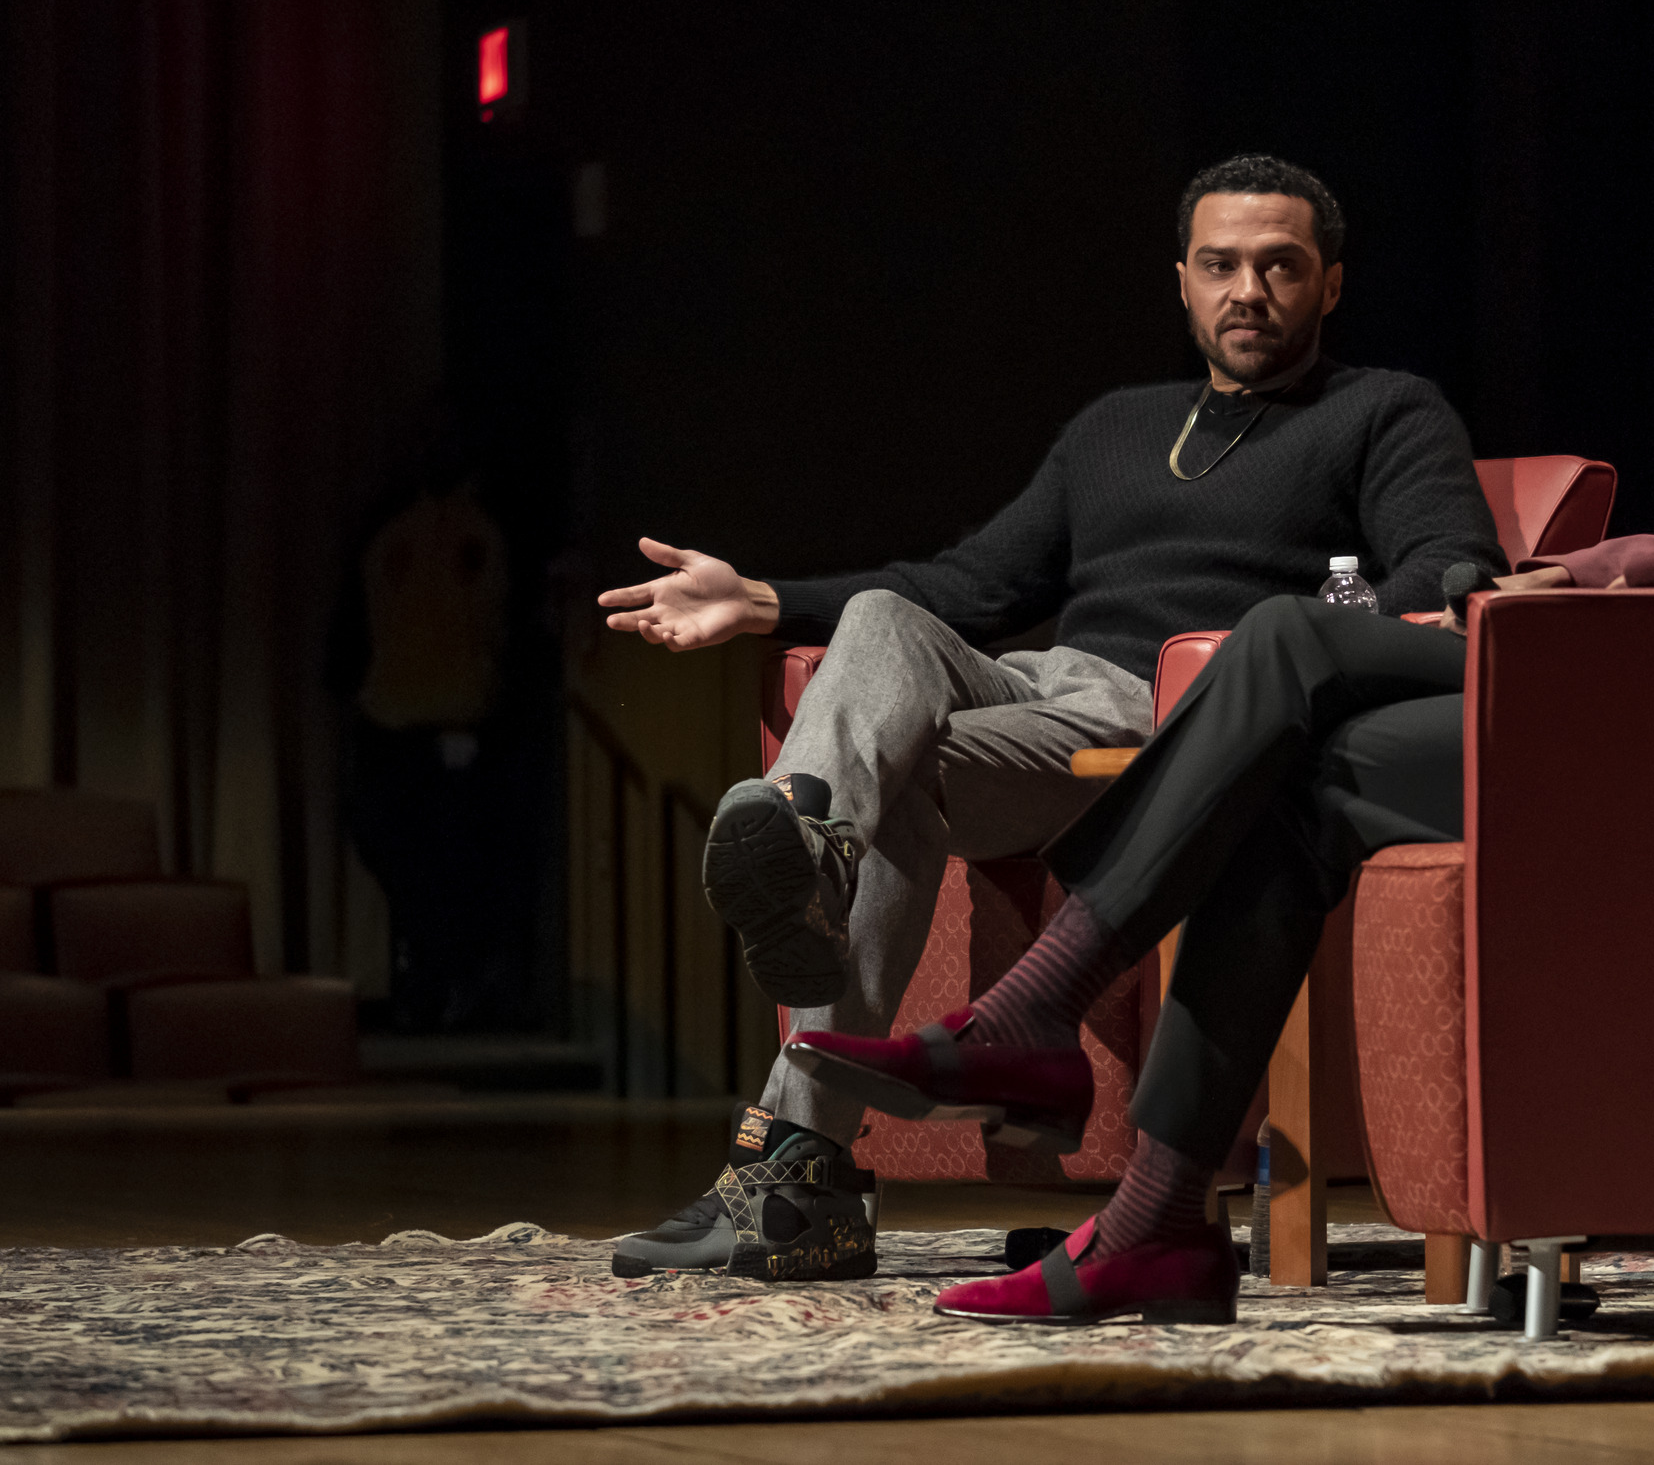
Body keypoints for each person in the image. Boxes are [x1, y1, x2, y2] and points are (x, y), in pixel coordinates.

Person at [785, 64, 1654, 1323]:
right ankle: (1154, 1219)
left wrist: (1615, 568)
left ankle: (1042, 1023)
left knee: (1287, 639)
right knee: (1281, 756)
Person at [597, 154, 1506, 1282]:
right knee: (882, 622)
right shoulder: (1115, 426)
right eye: (1220, 264)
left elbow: (1447, 567)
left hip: (1173, 724)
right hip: (1040, 688)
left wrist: (1288, 634)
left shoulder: (1383, 410)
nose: (1248, 291)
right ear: (1182, 280)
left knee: (902, 776)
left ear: (1330, 283)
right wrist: (764, 599)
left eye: (1280, 266)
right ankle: (811, 843)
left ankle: (796, 1161)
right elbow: (970, 584)